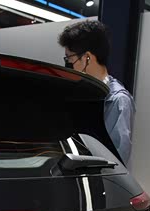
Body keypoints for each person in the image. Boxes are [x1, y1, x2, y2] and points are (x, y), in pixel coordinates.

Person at [58, 20, 135, 167]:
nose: (68, 64)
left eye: (69, 58)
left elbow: (116, 161)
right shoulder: (77, 93)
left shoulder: (117, 100)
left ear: (87, 58)